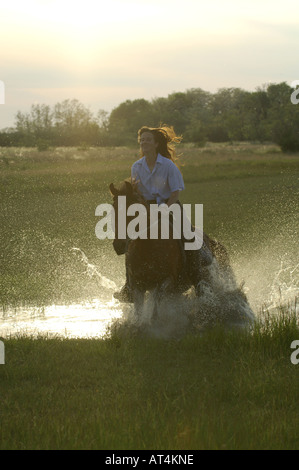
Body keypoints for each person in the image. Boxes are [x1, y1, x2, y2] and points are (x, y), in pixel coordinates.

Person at [113, 125, 213, 302]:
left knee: (188, 235)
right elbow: (137, 192)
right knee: (131, 239)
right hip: (146, 207)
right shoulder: (136, 166)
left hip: (171, 204)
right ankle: (129, 285)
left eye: (148, 139)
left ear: (156, 144)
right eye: (142, 140)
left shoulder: (168, 166)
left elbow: (175, 193)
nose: (144, 142)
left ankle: (198, 282)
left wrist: (164, 210)